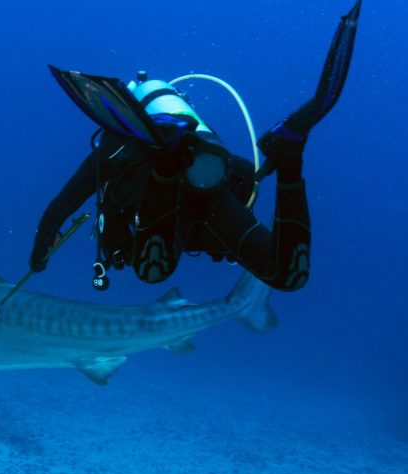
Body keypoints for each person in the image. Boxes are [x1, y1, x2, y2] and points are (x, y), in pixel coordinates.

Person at [29, 0, 361, 292]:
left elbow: (63, 204)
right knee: (286, 275)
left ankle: (166, 169)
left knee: (151, 271)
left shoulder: (118, 145)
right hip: (209, 192)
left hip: (169, 200)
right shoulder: (184, 134)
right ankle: (290, 160)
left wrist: (39, 255)